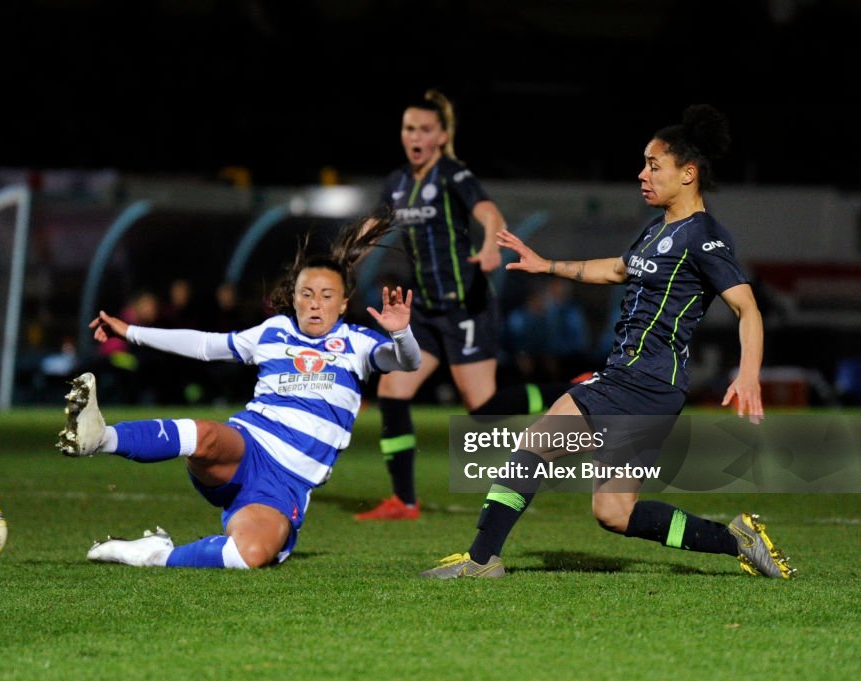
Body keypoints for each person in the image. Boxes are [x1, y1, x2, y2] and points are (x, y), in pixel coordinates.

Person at [421, 104, 796, 580]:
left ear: (688, 173)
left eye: (653, 165)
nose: (642, 174)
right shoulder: (658, 229)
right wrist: (548, 264)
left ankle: (480, 560)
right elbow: (619, 269)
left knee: (534, 444)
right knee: (614, 512)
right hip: (647, 384)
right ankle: (736, 539)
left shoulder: (704, 237)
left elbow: (747, 309)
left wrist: (748, 375)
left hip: (642, 378)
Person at [55, 215, 421, 569]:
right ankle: (100, 438)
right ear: (293, 298)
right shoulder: (272, 332)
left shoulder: (356, 343)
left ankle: (153, 554)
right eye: (306, 294)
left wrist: (401, 332)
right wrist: (132, 332)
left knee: (251, 555)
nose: (315, 303)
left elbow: (407, 362)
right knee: (206, 435)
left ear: (342, 304)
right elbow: (204, 345)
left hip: (285, 485)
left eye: (326, 296)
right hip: (249, 446)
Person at [355, 89, 570, 521]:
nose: (415, 137)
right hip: (427, 310)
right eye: (408, 128)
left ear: (440, 136)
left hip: (465, 305)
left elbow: (490, 215)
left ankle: (575, 389)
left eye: (424, 129)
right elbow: (374, 226)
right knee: (393, 391)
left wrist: (491, 246)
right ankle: (404, 501)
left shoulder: (454, 176)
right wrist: (342, 259)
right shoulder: (398, 182)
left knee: (484, 408)